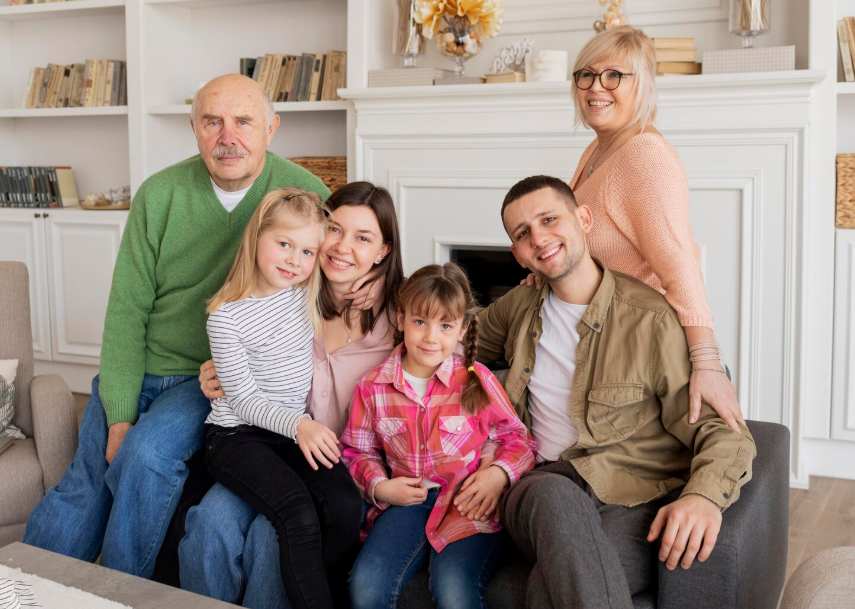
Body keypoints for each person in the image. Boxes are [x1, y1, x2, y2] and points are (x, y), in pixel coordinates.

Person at [22, 74, 330, 578]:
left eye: (243, 122)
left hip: (203, 378)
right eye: (212, 121)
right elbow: (126, 309)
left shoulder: (305, 196)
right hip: (140, 362)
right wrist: (119, 413)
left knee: (143, 458)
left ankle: (123, 591)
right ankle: (23, 588)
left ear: (271, 128)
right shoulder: (159, 193)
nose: (227, 136)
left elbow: (330, 289)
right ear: (194, 128)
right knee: (88, 478)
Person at [480, 175, 756, 608]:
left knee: (552, 590)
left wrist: (703, 495)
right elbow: (444, 339)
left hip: (629, 499)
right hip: (539, 485)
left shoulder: (649, 319)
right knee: (551, 496)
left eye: (549, 219)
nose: (539, 238)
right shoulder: (515, 309)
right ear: (518, 255)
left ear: (583, 218)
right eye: (523, 233)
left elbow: (724, 429)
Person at [178, 181, 405, 608]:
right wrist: (215, 372)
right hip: (256, 435)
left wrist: (386, 287)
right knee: (212, 523)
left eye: (363, 238)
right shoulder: (302, 292)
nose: (340, 247)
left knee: (325, 511)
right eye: (335, 230)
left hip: (307, 444)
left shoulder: (401, 315)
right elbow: (242, 363)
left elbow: (453, 327)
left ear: (383, 252)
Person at [557, 25, 741, 431]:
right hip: (602, 333)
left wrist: (707, 363)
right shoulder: (601, 146)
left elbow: (679, 265)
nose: (595, 87)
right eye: (586, 74)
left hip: (639, 343)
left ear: (643, 85)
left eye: (614, 75)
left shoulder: (643, 154)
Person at [343, 263, 538, 609]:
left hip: (468, 507)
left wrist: (498, 474)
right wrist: (380, 486)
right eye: (420, 322)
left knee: (453, 589)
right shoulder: (372, 387)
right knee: (365, 585)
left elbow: (519, 440)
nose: (431, 337)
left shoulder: (476, 381)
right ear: (401, 319)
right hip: (407, 505)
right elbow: (358, 452)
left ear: (462, 329)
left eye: (445, 325)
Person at [202, 187, 361, 609]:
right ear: (257, 238)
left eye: (308, 251)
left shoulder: (302, 292)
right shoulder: (225, 316)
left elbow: (363, 267)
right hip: (236, 436)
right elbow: (244, 401)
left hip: (289, 431)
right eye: (284, 244)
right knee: (298, 513)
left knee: (345, 505)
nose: (295, 260)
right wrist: (301, 425)